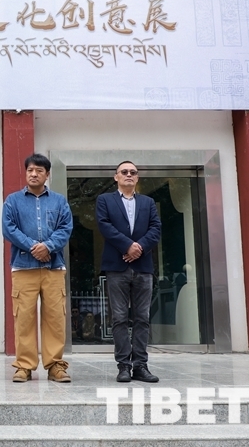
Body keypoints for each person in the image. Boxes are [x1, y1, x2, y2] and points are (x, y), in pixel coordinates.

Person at [2, 153, 73, 383]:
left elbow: (65, 228)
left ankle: (55, 366)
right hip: (23, 267)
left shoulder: (59, 201)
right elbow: (9, 229)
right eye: (30, 170)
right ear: (26, 172)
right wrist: (34, 247)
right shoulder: (12, 201)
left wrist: (48, 246)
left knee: (55, 318)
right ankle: (24, 366)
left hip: (54, 267)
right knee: (24, 318)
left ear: (47, 174)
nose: (34, 174)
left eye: (39, 171)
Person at [96, 161, 162, 383]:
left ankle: (140, 365)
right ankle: (123, 365)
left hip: (143, 267)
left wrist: (139, 248)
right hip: (117, 266)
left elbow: (156, 228)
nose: (129, 175)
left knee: (142, 318)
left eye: (133, 172)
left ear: (137, 177)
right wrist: (127, 246)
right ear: (116, 177)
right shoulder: (105, 200)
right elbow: (104, 226)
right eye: (124, 172)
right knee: (120, 318)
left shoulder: (148, 202)